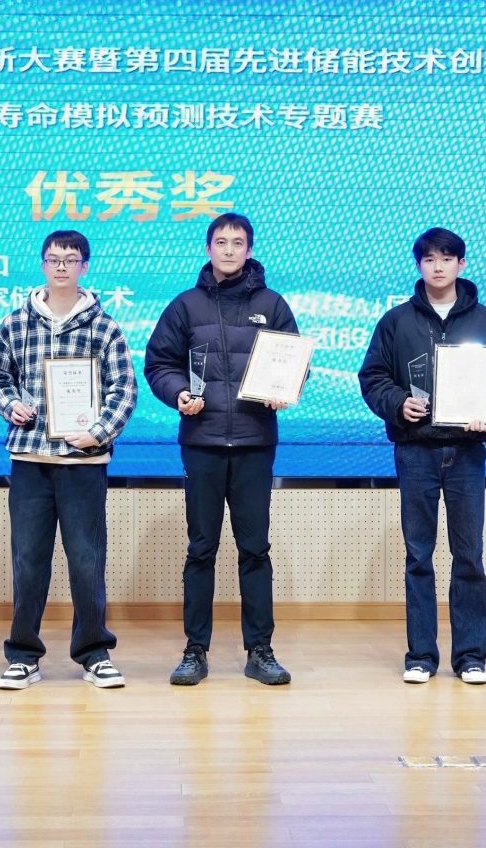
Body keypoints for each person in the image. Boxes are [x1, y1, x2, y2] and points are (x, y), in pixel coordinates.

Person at [358, 227, 486, 685]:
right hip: (415, 451)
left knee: (469, 555)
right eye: (429, 259)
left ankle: (471, 656)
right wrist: (397, 404)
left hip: (467, 451)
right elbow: (373, 377)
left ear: (461, 265)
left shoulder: (485, 320)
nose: (438, 266)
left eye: (447, 258)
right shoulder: (396, 321)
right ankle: (421, 656)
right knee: (418, 556)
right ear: (419, 266)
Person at [143, 213, 297, 687]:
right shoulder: (185, 306)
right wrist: (178, 394)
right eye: (221, 242)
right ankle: (195, 650)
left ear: (249, 250)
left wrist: (283, 389)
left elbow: (294, 362)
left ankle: (260, 650)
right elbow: (159, 363)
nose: (229, 250)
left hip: (254, 442)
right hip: (202, 442)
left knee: (255, 549)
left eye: (238, 243)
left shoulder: (272, 304)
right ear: (208, 248)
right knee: (201, 550)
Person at [0, 230, 138, 690]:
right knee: (28, 560)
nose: (62, 266)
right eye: (54, 259)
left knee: (87, 560)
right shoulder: (16, 322)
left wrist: (98, 432)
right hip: (30, 458)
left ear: (85, 266)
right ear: (43, 264)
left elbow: (124, 388)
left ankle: (94, 653)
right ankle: (23, 655)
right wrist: (10, 404)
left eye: (71, 259)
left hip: (84, 463)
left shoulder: (105, 326)